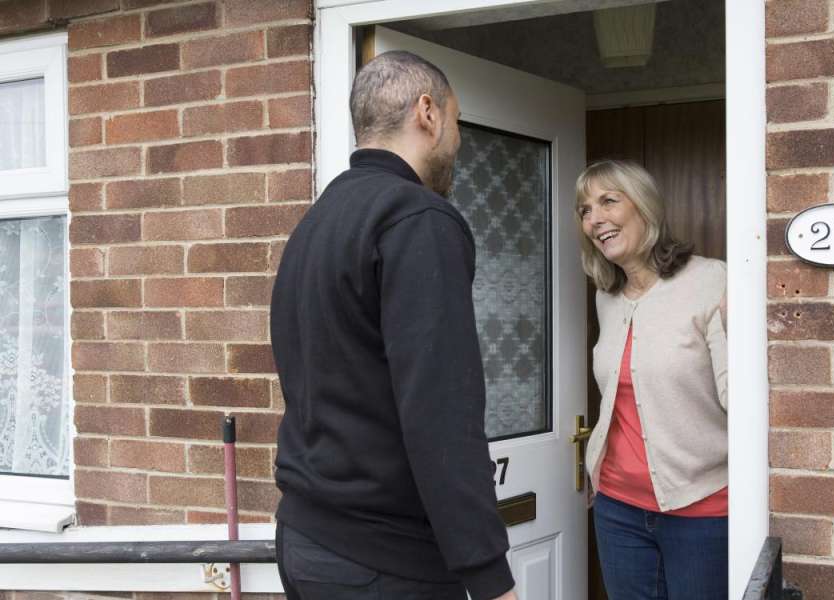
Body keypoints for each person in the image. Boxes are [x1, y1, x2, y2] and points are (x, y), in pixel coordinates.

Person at [270, 50, 517, 600]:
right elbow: (441, 411)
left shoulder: (316, 223)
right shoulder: (418, 219)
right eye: (455, 121)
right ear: (427, 113)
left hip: (306, 543)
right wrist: (490, 577)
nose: (457, 140)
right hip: (386, 564)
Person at [576, 159, 728, 600]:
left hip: (703, 509)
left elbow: (742, 400)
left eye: (608, 201)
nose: (594, 219)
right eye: (585, 209)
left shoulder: (711, 280)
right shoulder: (608, 299)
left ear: (644, 207)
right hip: (617, 508)